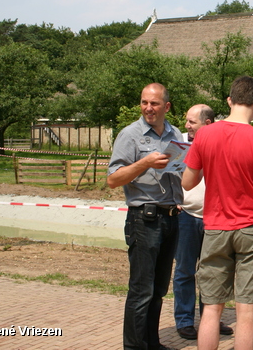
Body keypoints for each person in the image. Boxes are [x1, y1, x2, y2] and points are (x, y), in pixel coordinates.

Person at [182, 76, 253, 350]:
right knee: (246, 312)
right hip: (251, 229)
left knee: (211, 308)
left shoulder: (204, 134)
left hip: (215, 228)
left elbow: (187, 182)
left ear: (229, 101)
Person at [107, 83, 183, 350]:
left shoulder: (176, 134)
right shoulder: (130, 135)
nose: (148, 108)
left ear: (167, 106)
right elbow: (113, 180)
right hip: (144, 219)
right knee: (141, 290)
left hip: (172, 217)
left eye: (154, 103)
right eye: (144, 103)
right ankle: (135, 346)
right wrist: (144, 163)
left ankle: (152, 343)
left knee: (159, 290)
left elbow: (181, 175)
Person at [172, 104, 233, 340]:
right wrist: (174, 199)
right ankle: (185, 321)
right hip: (186, 217)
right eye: (186, 122)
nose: (186, 126)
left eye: (191, 122)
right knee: (185, 271)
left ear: (207, 124)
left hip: (214, 218)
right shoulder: (180, 146)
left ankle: (211, 320)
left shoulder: (223, 145)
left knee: (214, 272)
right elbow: (171, 175)